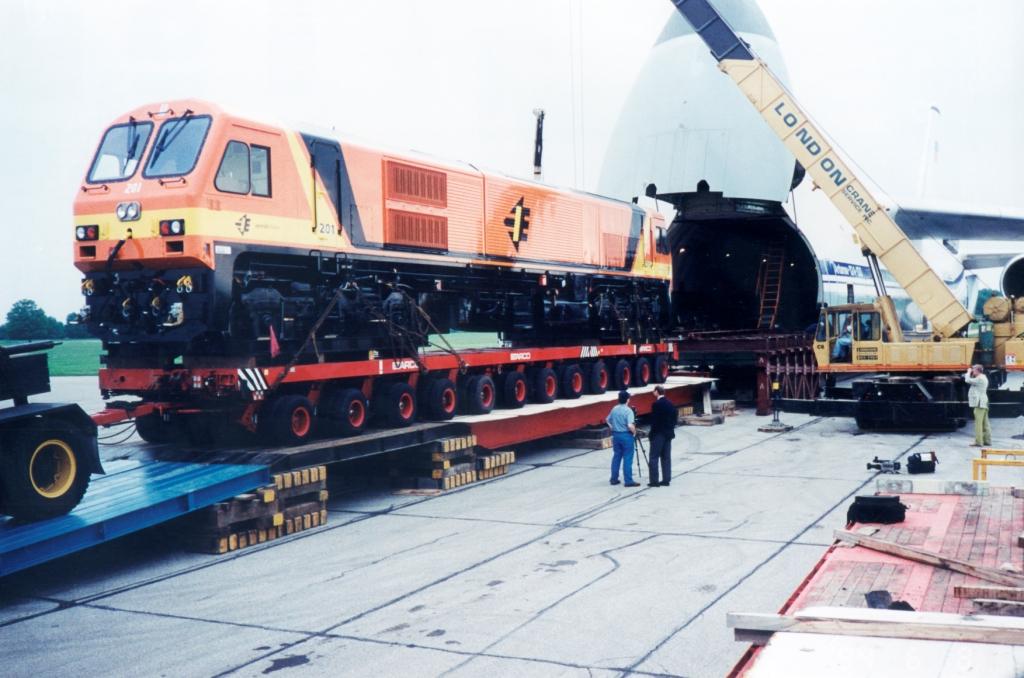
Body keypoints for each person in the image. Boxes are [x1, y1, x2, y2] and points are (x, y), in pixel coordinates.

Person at [606, 390, 639, 487]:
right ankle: (628, 480)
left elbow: (607, 420)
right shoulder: (628, 411)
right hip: (626, 435)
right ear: (627, 399)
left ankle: (614, 478)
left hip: (616, 435)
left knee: (616, 457)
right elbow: (630, 425)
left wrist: (612, 427)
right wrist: (634, 432)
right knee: (627, 458)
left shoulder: (614, 408)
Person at [647, 385, 676, 487]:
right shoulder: (670, 404)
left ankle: (654, 481)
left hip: (658, 434)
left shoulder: (656, 404)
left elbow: (655, 421)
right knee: (666, 457)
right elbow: (674, 418)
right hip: (668, 433)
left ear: (657, 392)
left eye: (653, 391)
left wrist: (651, 434)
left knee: (653, 457)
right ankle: (666, 479)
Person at [965, 364, 991, 447]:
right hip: (983, 402)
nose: (972, 371)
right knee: (985, 423)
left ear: (977, 370)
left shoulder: (979, 378)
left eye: (973, 369)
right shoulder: (983, 377)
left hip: (979, 403)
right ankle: (987, 440)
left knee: (978, 423)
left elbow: (967, 380)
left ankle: (979, 442)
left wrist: (968, 372)